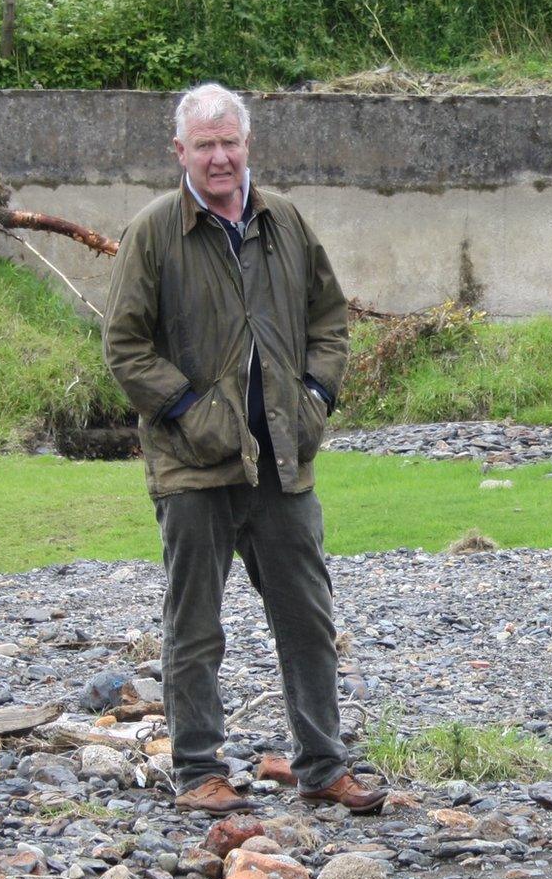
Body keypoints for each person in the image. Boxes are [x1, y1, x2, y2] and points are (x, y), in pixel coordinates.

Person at [102, 83, 386, 816]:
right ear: (181, 152)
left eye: (229, 142)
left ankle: (324, 767)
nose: (220, 157)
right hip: (193, 468)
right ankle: (200, 772)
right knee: (195, 628)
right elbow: (125, 347)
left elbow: (330, 320)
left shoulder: (285, 222)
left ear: (247, 144)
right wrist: (192, 413)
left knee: (307, 620)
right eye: (205, 145)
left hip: (284, 465)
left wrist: (316, 400)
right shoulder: (155, 232)